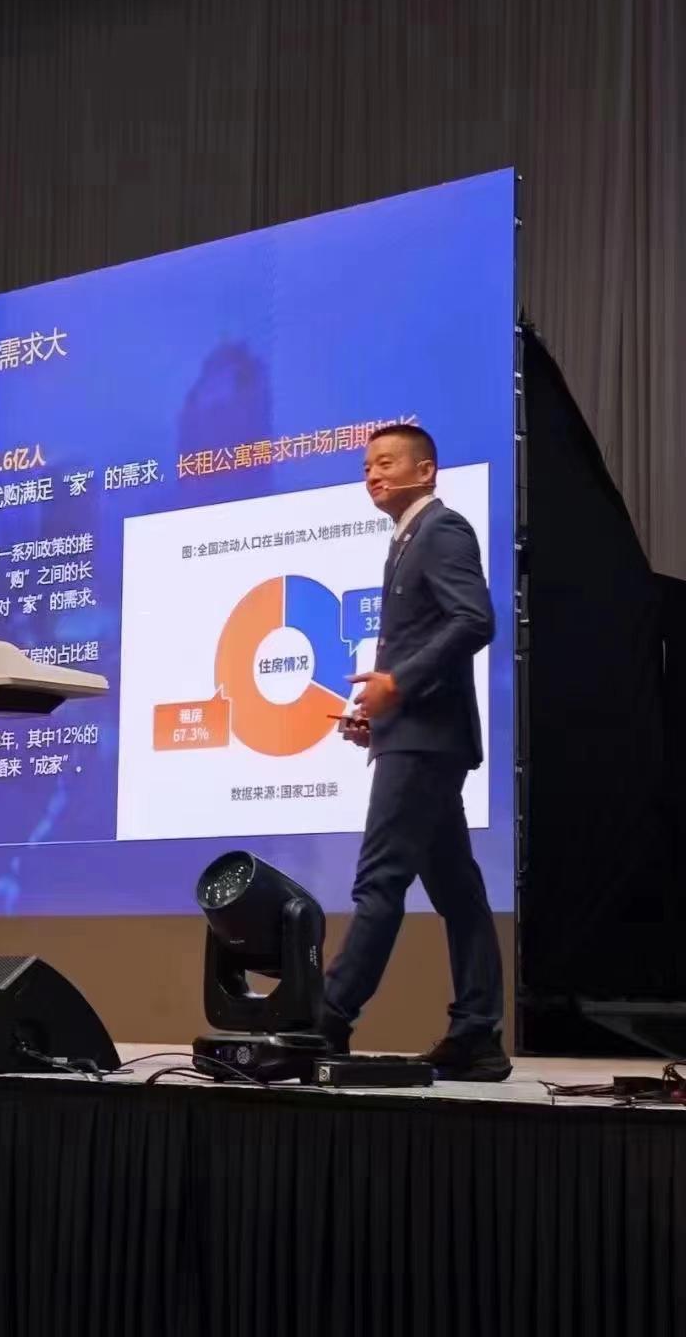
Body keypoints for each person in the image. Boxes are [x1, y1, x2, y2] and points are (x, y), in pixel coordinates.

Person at [323, 423, 510, 1081]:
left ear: (425, 470)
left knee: (380, 881)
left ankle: (327, 1017)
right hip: (415, 734)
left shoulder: (441, 529)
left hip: (427, 741)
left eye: (386, 463)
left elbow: (474, 619)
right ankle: (478, 1034)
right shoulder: (405, 540)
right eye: (366, 467)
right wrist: (377, 714)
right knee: (457, 890)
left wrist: (397, 685)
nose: (372, 474)